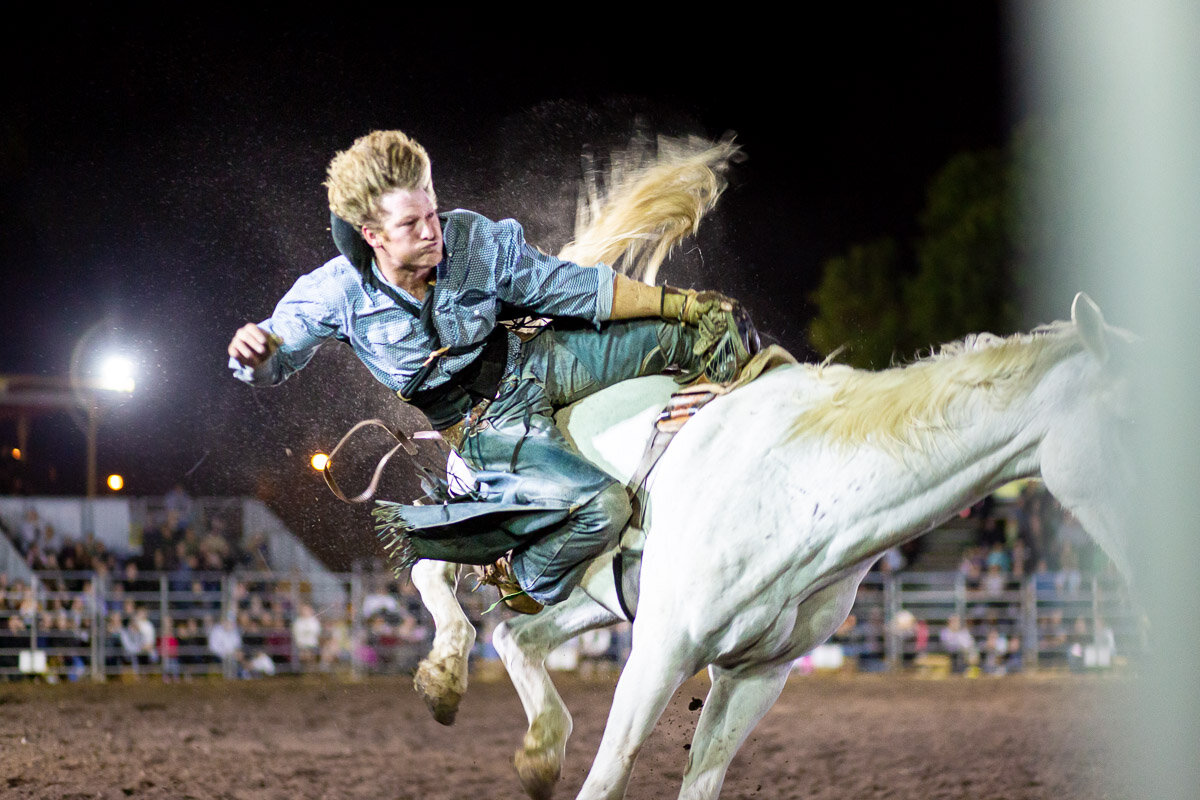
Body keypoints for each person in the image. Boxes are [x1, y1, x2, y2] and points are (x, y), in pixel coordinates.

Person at [228, 130, 756, 608]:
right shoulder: (335, 293)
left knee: (690, 338)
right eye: (411, 224)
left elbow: (570, 286)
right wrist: (257, 355)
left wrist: (683, 306)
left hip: (537, 358)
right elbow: (280, 351)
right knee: (603, 507)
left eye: (431, 210)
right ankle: (520, 574)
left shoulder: (473, 238)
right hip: (484, 424)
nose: (433, 230)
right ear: (372, 235)